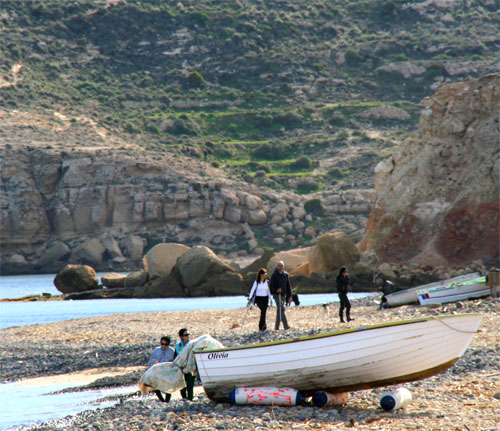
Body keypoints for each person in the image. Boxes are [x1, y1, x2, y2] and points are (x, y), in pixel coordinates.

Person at [147, 336, 174, 402]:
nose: (163, 346)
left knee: (168, 387)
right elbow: (150, 361)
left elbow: (175, 362)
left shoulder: (172, 351)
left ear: (168, 344)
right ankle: (162, 400)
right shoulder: (156, 351)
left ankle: (167, 401)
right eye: (162, 343)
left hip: (167, 371)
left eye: (166, 344)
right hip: (158, 371)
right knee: (155, 386)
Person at [269, 260, 292, 330]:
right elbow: (271, 286)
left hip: (283, 295)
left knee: (279, 310)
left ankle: (276, 327)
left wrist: (289, 296)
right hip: (276, 295)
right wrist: (276, 290)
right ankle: (286, 325)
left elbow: (288, 286)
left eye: (282, 265)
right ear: (277, 266)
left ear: (284, 266)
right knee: (281, 308)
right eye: (279, 265)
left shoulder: (285, 275)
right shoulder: (274, 275)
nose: (281, 267)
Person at [174, 328, 196, 401]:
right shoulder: (178, 345)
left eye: (188, 334)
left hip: (190, 367)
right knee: (182, 385)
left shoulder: (192, 344)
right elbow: (175, 357)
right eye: (186, 335)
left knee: (190, 385)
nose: (188, 336)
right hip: (181, 368)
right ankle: (184, 399)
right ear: (181, 337)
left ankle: (190, 399)